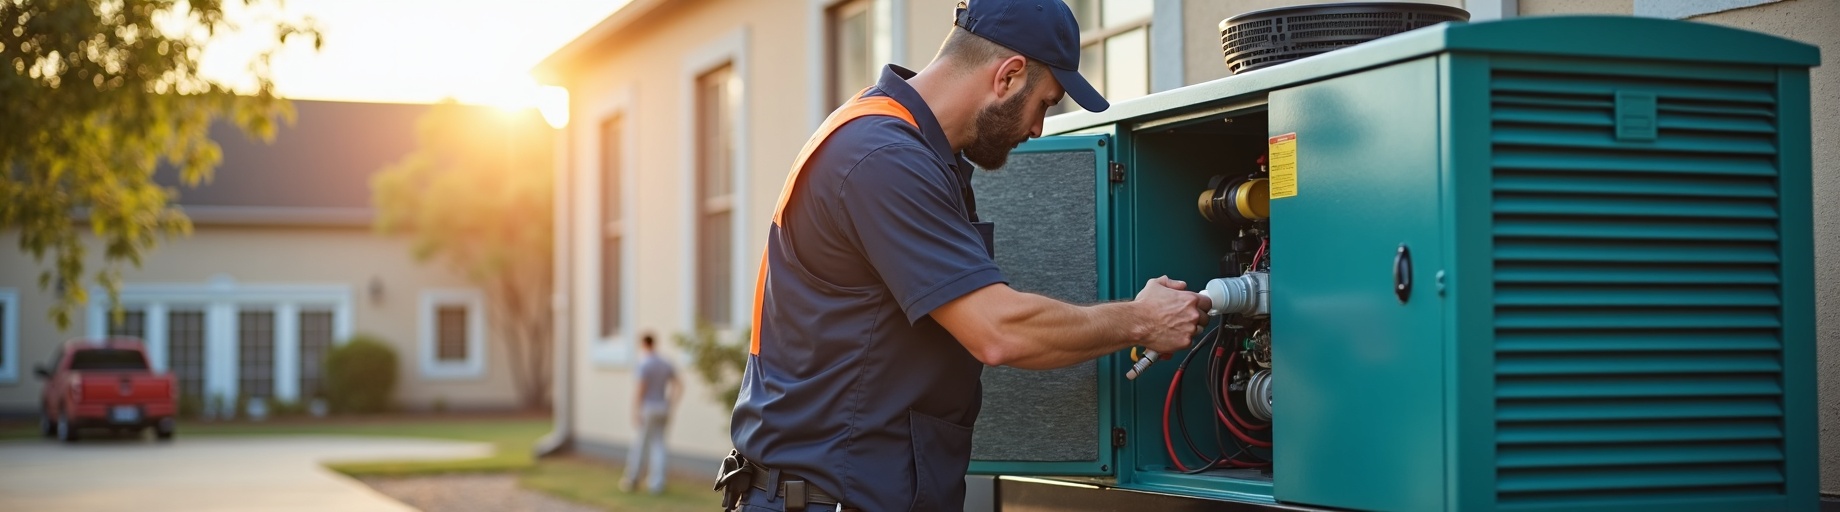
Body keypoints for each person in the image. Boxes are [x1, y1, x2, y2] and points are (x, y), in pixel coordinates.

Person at [719, 1, 1211, 510]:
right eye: (1046, 103)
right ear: (1009, 75)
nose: (1040, 128)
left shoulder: (912, 150)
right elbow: (998, 332)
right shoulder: (883, 157)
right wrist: (1142, 319)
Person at [620, 332, 680, 495]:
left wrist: (635, 410)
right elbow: (678, 384)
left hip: (648, 407)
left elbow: (641, 388)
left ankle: (633, 478)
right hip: (662, 406)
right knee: (659, 445)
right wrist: (670, 402)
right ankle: (657, 483)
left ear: (644, 344)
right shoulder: (665, 362)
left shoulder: (644, 363)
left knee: (640, 444)